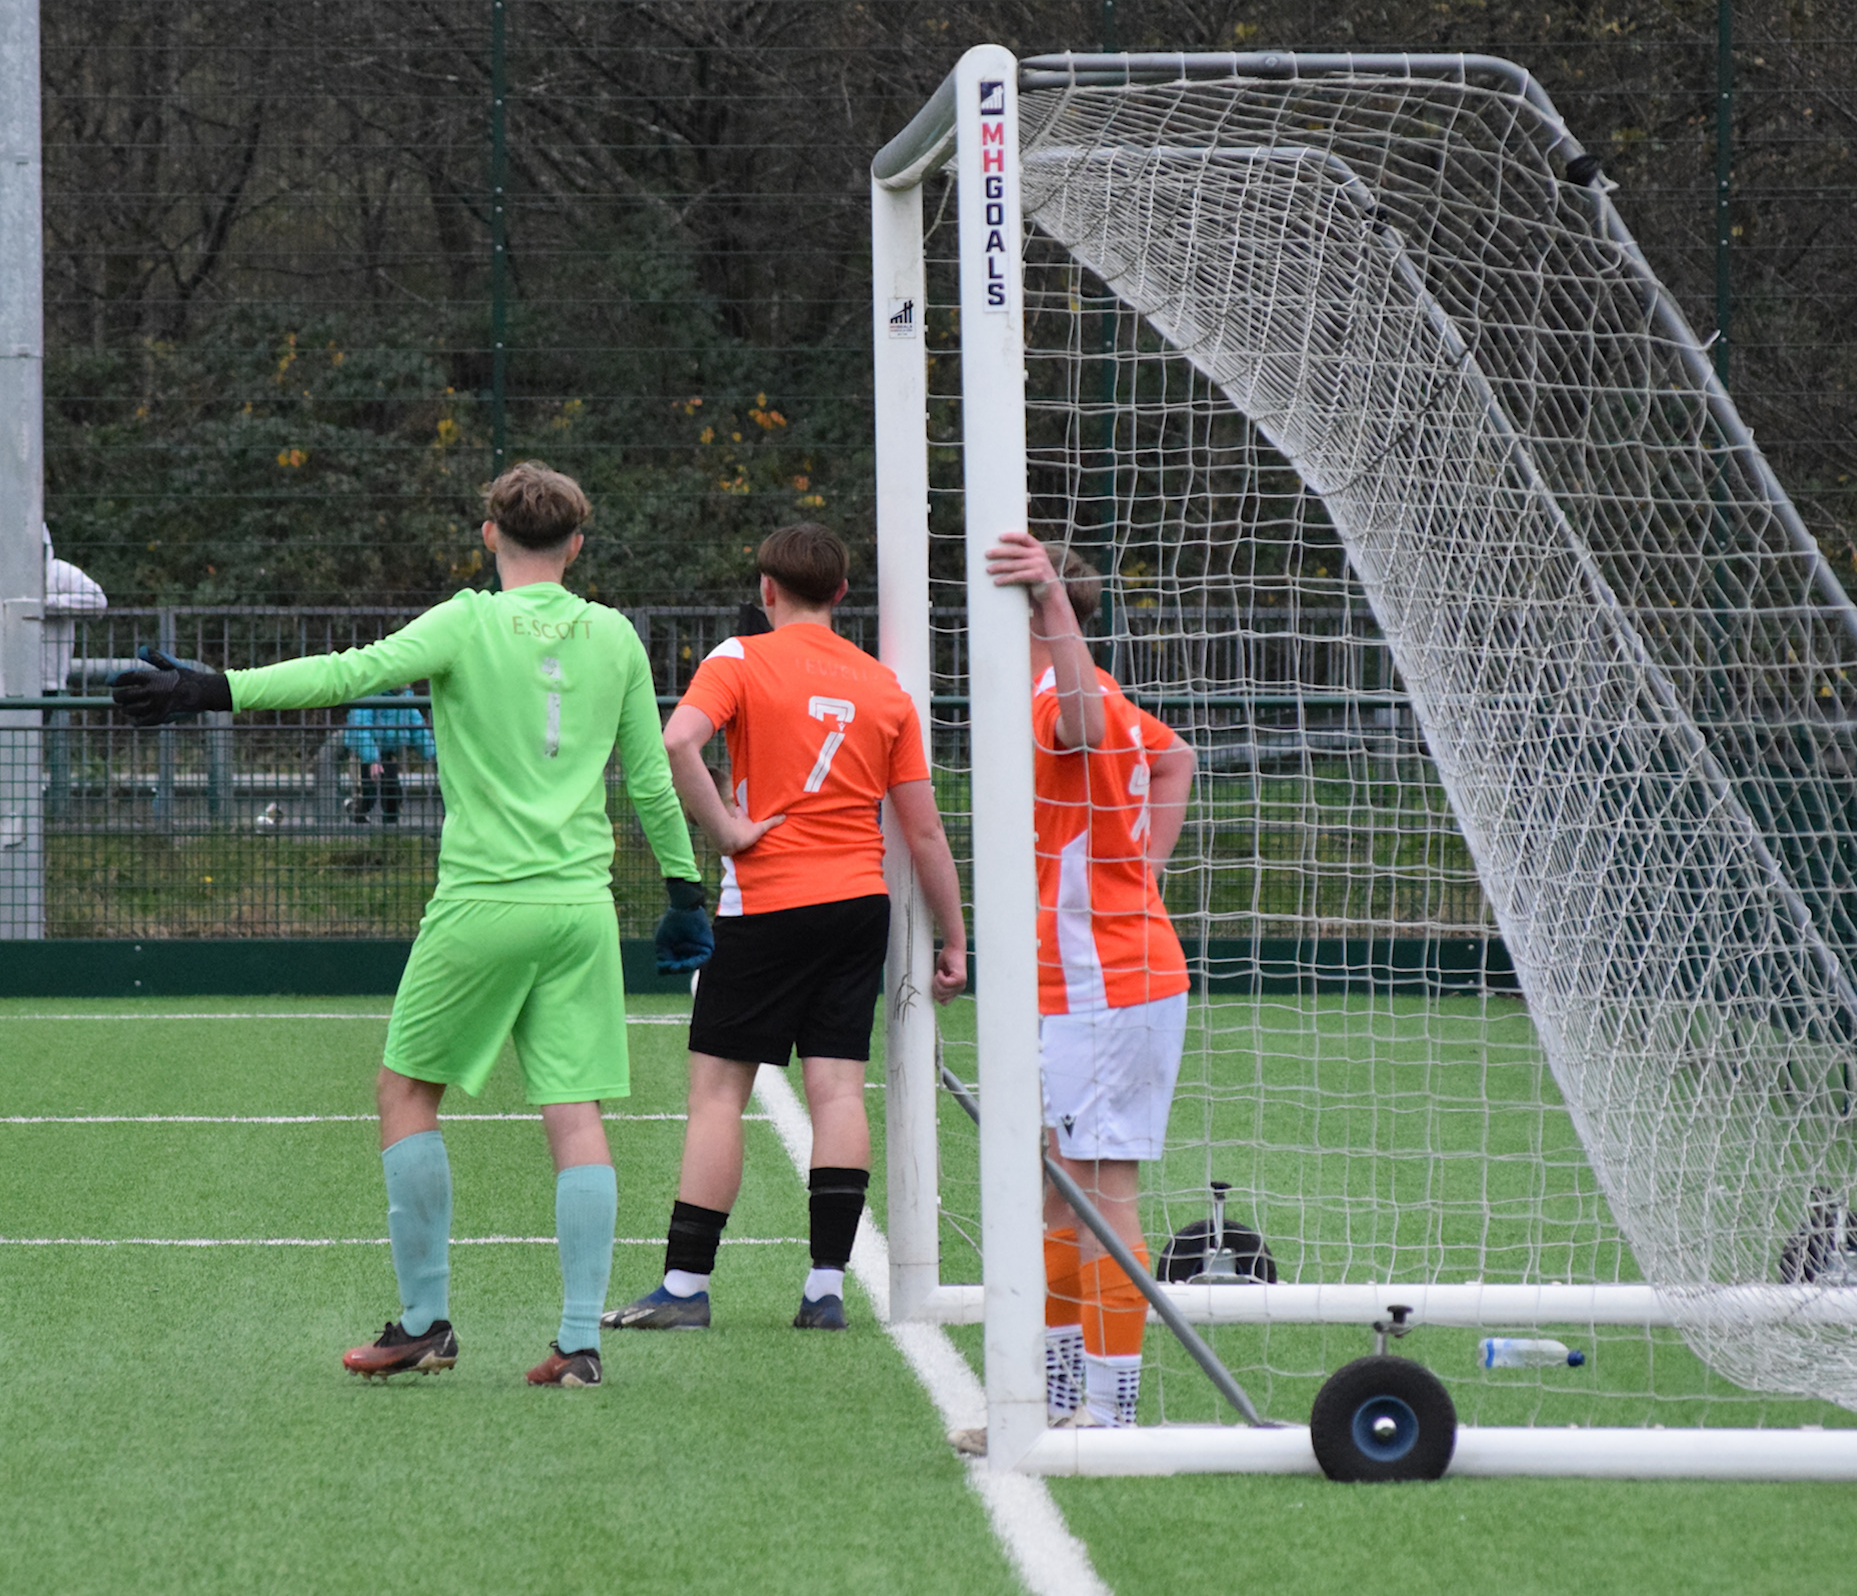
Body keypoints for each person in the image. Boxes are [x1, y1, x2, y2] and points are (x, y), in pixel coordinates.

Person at [110, 462, 708, 1389]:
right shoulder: (616, 635)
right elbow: (652, 781)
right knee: (575, 1113)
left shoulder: (466, 621)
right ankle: (578, 1342)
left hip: (483, 903)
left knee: (405, 1092)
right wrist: (684, 892)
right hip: (581, 910)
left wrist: (211, 688)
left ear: (489, 535)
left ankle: (426, 1323)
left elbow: (348, 672)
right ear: (577, 545)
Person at [604, 523, 967, 1333]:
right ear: (841, 594)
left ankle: (686, 1286)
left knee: (717, 1093)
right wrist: (954, 936)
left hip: (767, 901)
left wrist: (728, 833)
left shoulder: (740, 657)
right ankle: (825, 1288)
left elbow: (677, 740)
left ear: (766, 588)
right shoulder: (883, 686)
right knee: (837, 1088)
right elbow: (924, 830)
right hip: (858, 904)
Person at [985, 530, 1196, 1430]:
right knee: (1060, 1193)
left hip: (1111, 984)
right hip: (1091, 979)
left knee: (1103, 1194)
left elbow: (1083, 723)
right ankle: (1060, 1400)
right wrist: (1143, 869)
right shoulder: (1092, 688)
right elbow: (1176, 756)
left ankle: (1109, 1412)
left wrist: (1049, 603)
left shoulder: (1062, 689)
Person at [0, 510, 109, 692]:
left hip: (49, 684)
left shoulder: (60, 572)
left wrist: (44, 604)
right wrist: (12, 603)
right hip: (0, 683)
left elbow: (97, 601)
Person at [343, 691, 435, 824]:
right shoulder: (370, 693)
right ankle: (357, 811)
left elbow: (418, 730)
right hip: (365, 751)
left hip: (387, 751)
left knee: (392, 791)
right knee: (369, 793)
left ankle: (390, 825)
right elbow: (360, 728)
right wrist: (372, 759)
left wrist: (433, 754)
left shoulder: (405, 696)